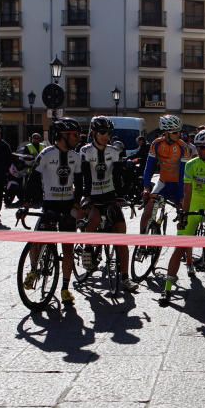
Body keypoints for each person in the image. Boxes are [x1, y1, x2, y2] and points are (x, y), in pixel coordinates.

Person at [159, 128, 205, 304]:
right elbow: (187, 191)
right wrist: (184, 214)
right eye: (198, 147)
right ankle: (167, 288)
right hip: (193, 206)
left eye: (204, 147)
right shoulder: (192, 165)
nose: (199, 150)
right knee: (179, 248)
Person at [23, 117, 84, 305]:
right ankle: (33, 269)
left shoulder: (76, 156)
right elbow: (33, 178)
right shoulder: (47, 154)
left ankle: (65, 288)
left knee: (67, 249)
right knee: (37, 240)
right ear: (62, 136)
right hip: (49, 204)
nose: (77, 138)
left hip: (67, 206)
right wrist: (27, 203)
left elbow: (80, 183)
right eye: (73, 135)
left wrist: (77, 202)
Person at [78, 115, 137, 293]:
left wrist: (121, 195)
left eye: (108, 132)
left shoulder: (114, 151)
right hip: (93, 195)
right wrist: (87, 197)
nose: (106, 136)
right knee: (94, 219)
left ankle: (126, 278)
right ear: (94, 133)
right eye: (102, 132)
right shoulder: (85, 151)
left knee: (122, 237)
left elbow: (118, 176)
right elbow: (85, 177)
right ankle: (87, 249)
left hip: (110, 194)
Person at [140, 114, 190, 234]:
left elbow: (183, 174)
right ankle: (141, 242)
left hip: (178, 184)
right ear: (166, 132)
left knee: (184, 216)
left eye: (179, 132)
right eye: (175, 132)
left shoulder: (183, 147)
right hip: (162, 183)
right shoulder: (156, 144)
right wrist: (146, 187)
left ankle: (183, 247)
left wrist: (181, 197)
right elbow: (149, 167)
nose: (179, 135)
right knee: (147, 211)